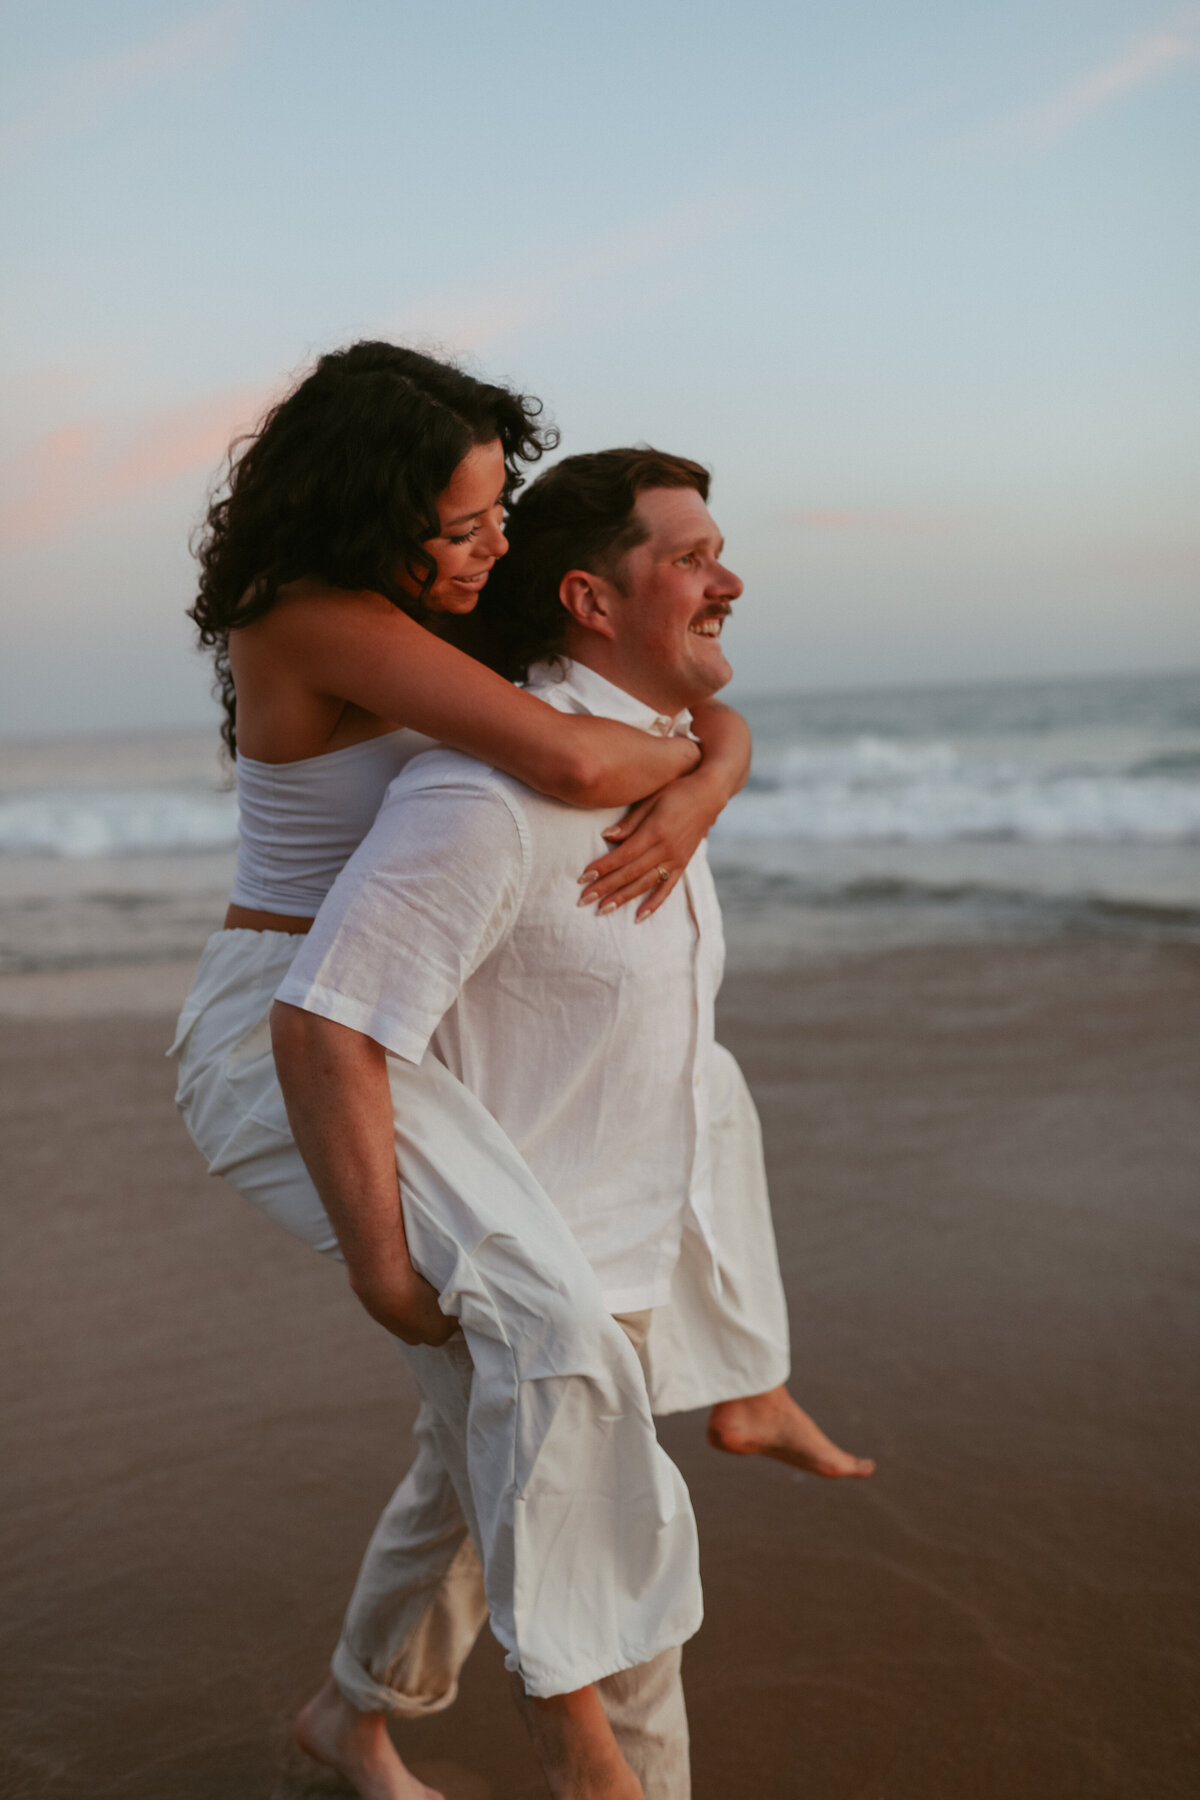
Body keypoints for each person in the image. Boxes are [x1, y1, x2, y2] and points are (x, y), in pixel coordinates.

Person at [169, 345, 869, 1796]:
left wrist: (705, 764)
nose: (494, 545)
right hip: (286, 1029)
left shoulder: (438, 623)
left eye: (501, 519)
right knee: (547, 1337)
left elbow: (673, 716)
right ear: (371, 513)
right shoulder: (311, 616)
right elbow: (565, 758)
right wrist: (687, 773)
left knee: (496, 1409)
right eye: (465, 523)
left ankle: (350, 1715)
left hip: (382, 1022)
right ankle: (573, 1722)